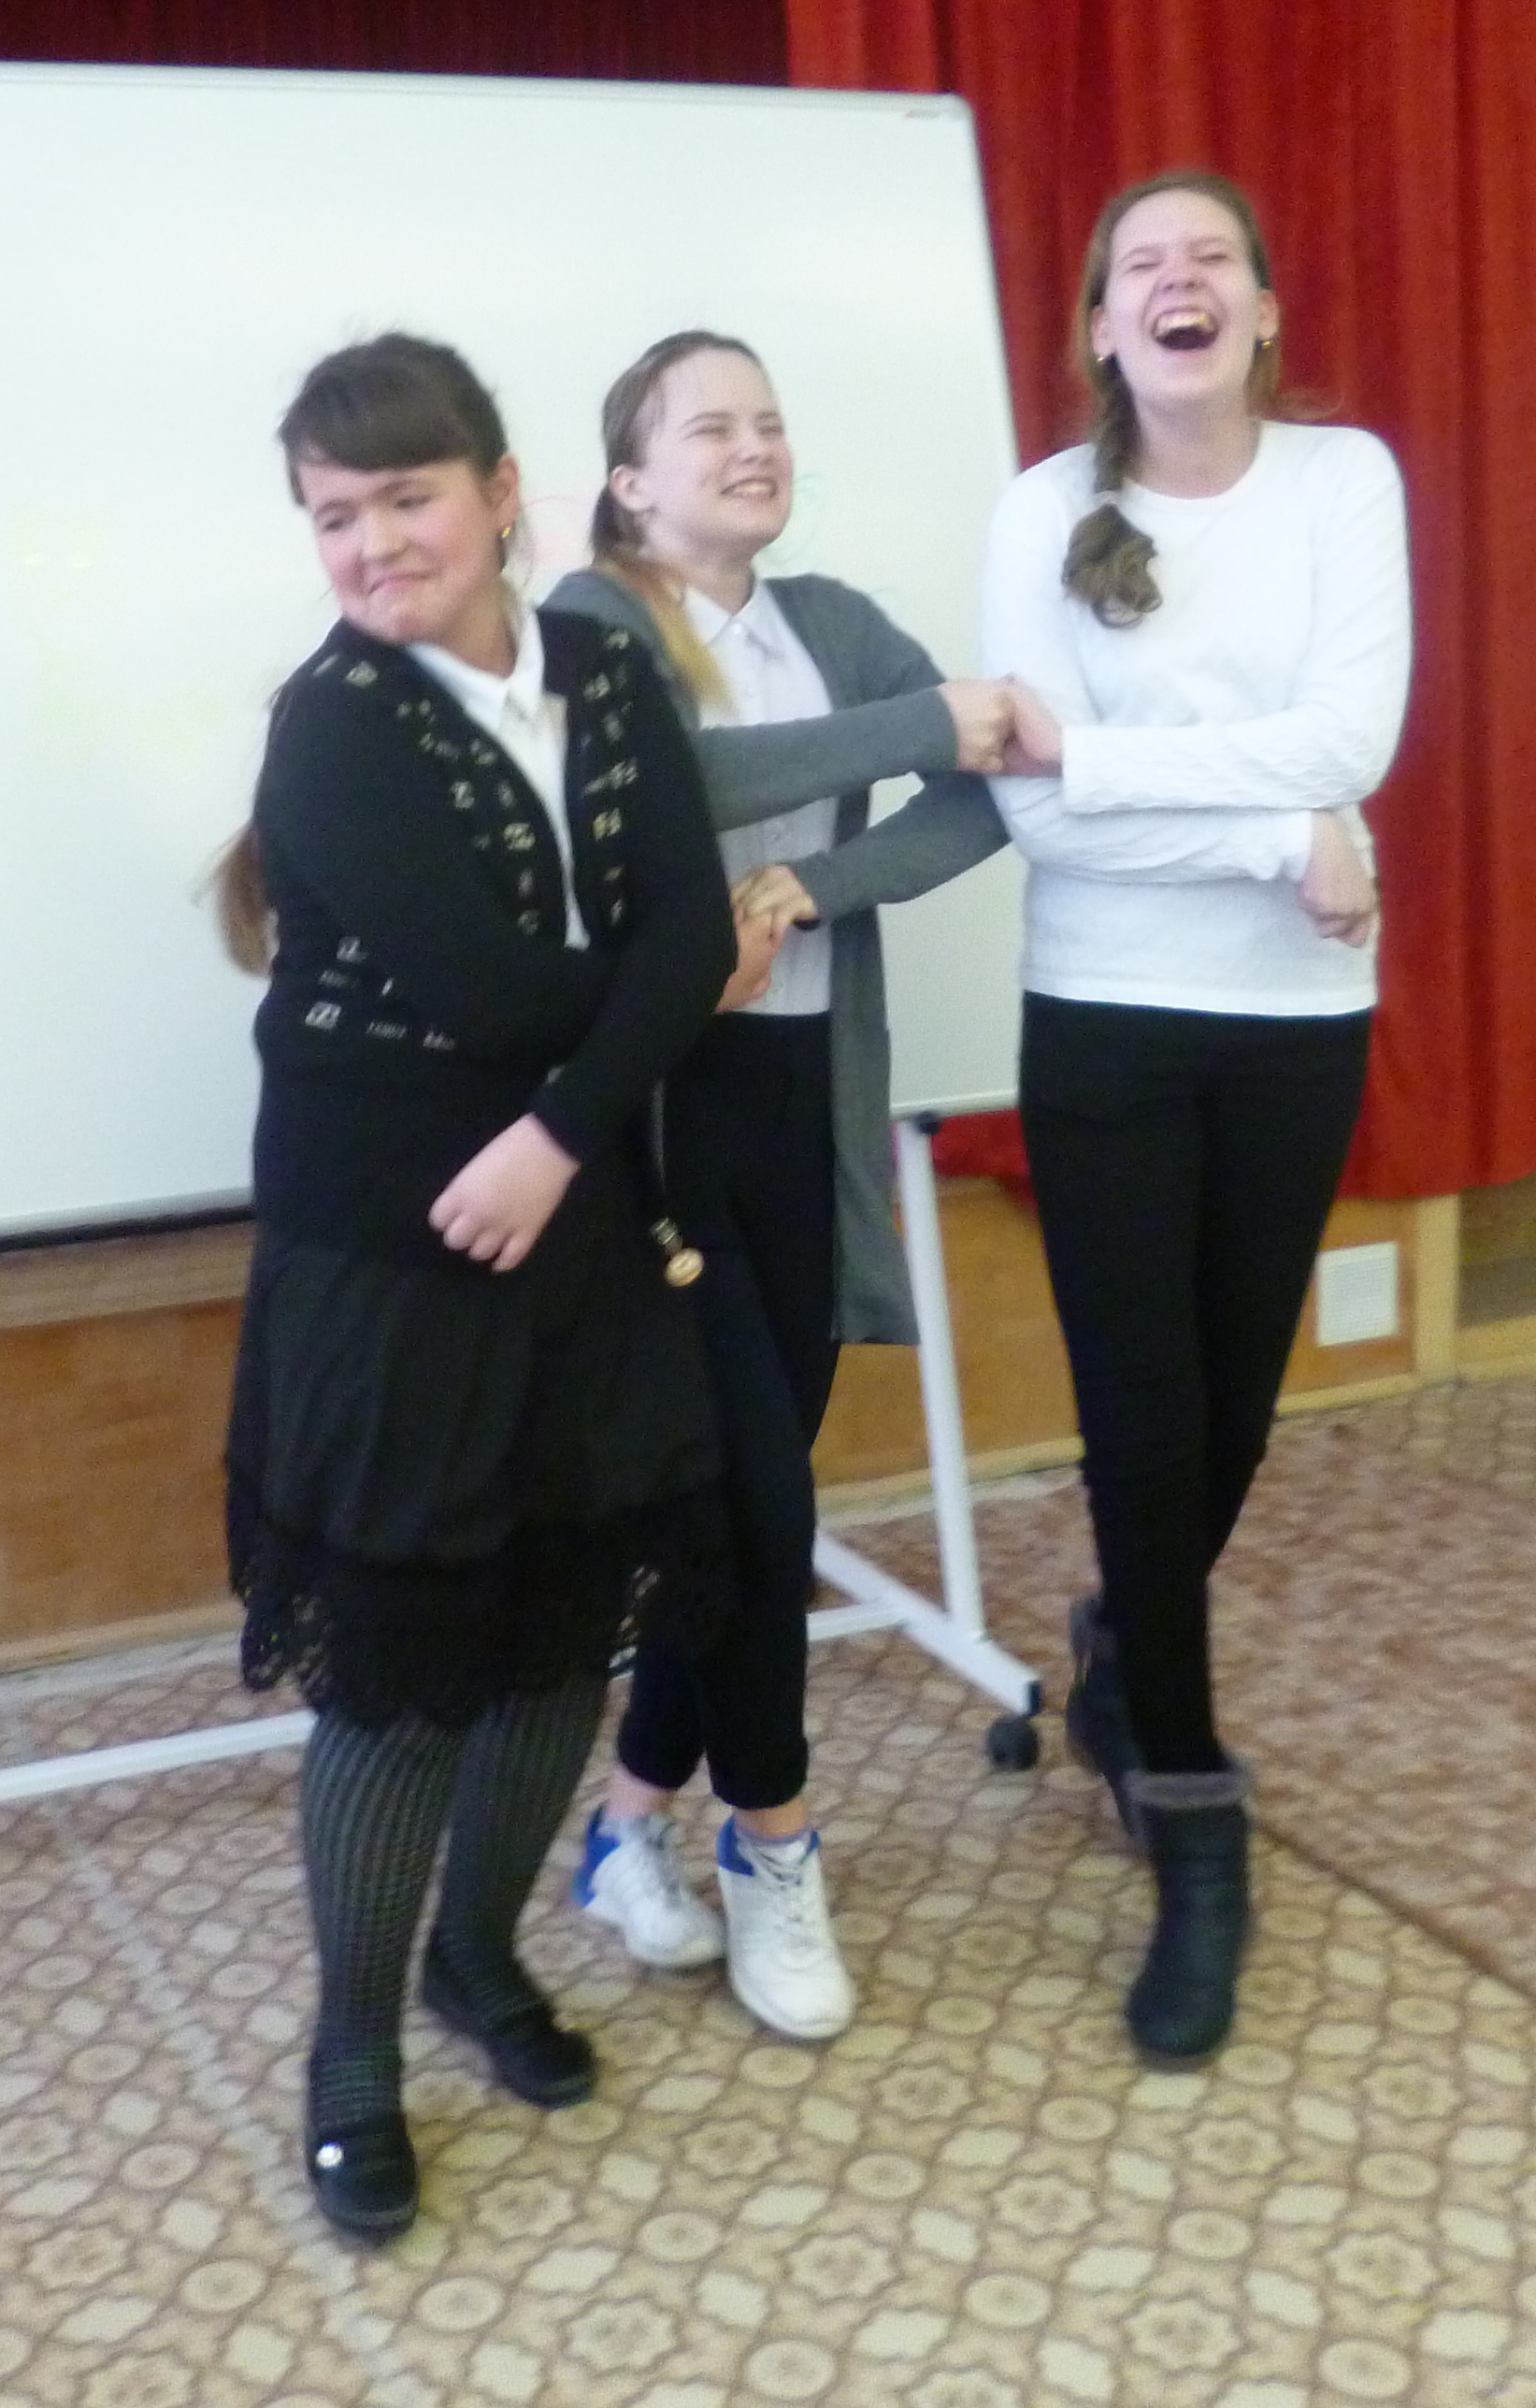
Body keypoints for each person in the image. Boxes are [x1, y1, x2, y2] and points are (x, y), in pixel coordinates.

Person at [213, 336, 738, 2247]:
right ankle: (353, 2053)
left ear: (505, 495)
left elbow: (685, 919)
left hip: (568, 1217)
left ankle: (478, 1959)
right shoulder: (331, 725)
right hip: (393, 1255)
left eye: (405, 499)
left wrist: (566, 1130)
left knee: (556, 1635)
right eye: (332, 517)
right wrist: (658, 1004)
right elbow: (520, 984)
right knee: (401, 1680)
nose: (369, 545)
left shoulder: (605, 661)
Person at [548, 332, 1052, 2041]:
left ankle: (625, 1829)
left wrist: (812, 893)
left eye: (769, 422)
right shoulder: (593, 623)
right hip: (662, 1117)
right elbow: (664, 786)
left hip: (804, 1102)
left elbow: (983, 794)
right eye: (712, 427)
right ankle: (776, 1851)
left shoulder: (827, 620)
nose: (754, 446)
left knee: (743, 1520)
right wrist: (922, 719)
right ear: (632, 480)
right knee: (759, 1512)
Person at [976, 173, 1410, 2066]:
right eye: (1139, 265)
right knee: (1144, 1421)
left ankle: (1120, 1655)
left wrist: (1129, 761)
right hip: (1105, 1019)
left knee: (1230, 1410)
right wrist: (1282, 837)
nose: (1178, 281)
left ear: (1261, 307)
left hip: (1299, 1020)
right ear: (1101, 328)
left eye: (1209, 257)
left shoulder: (1345, 482)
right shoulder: (1041, 513)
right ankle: (1187, 1797)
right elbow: (1039, 816)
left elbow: (1353, 742)